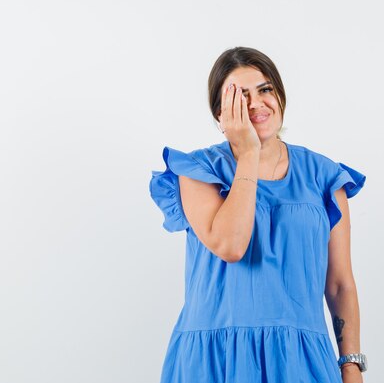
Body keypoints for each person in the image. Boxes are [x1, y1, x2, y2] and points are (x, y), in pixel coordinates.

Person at [149, 46, 367, 383]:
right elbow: (231, 245)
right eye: (239, 96)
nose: (255, 103)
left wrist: (350, 365)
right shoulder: (196, 171)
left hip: (301, 359)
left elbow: (339, 284)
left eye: (265, 90)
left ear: (280, 96)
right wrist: (249, 152)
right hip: (215, 360)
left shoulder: (324, 176)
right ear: (221, 114)